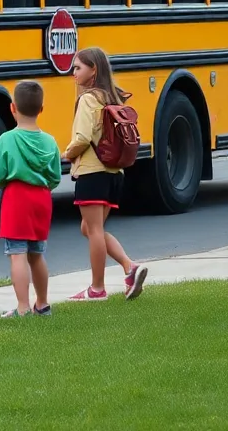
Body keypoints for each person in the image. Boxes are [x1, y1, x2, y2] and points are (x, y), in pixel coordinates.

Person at [64, 47, 147, 302]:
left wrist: (67, 154)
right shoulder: (113, 98)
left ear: (94, 70)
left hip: (92, 171)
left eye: (78, 68)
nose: (73, 73)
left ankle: (97, 288)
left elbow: (82, 138)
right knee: (89, 228)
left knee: (94, 229)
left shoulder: (89, 99)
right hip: (114, 173)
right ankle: (129, 267)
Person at [0, 80, 61, 317]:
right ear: (41, 109)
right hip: (42, 199)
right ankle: (42, 303)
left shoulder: (7, 140)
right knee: (37, 254)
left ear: (12, 108)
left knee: (17, 253)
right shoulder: (50, 142)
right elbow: (55, 177)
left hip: (16, 198)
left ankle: (22, 307)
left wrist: (4, 181)